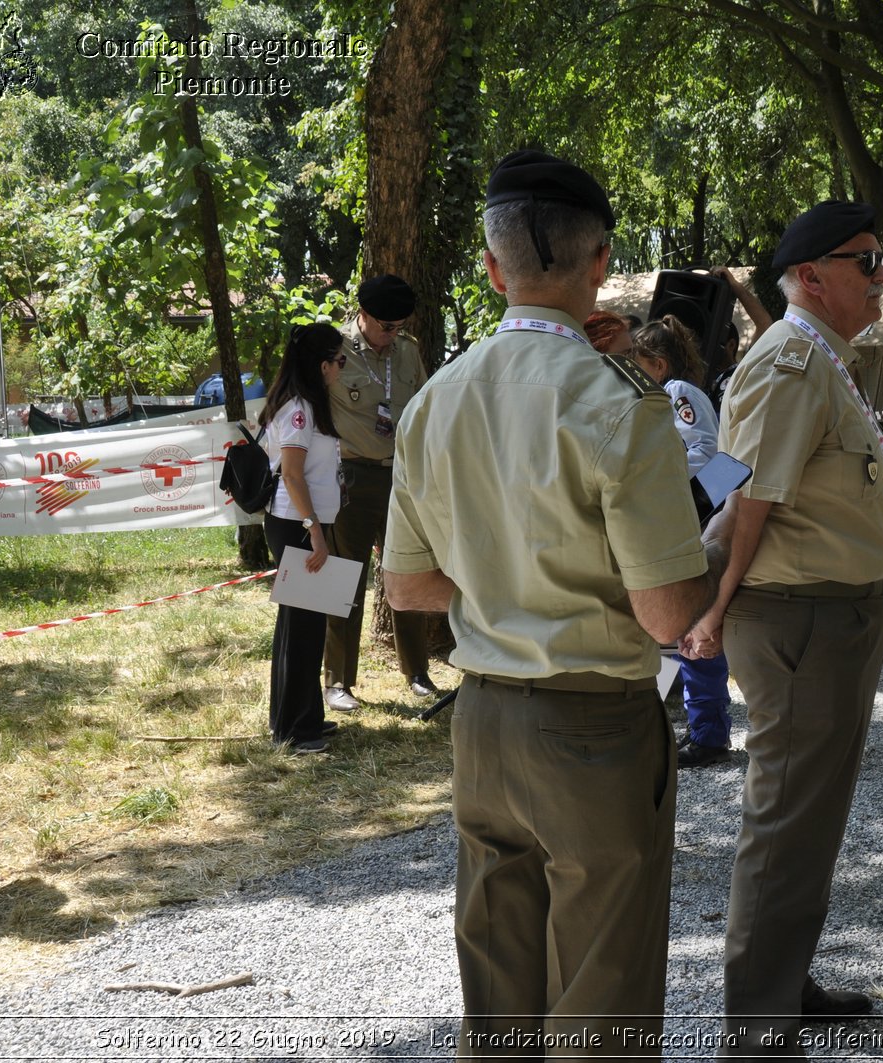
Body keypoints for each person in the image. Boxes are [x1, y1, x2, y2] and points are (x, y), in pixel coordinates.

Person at [381, 150, 726, 1056]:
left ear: (492, 270)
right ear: (601, 260)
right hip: (593, 724)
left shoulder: (431, 402)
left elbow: (410, 589)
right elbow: (666, 616)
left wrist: (504, 578)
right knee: (601, 993)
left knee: (496, 989)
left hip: (483, 715)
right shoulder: (626, 405)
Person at [691, 199, 883, 1055]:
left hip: (832, 614)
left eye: (881, 258)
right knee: (785, 820)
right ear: (812, 276)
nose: (881, 275)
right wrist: (714, 604)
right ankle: (759, 1024)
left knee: (810, 818)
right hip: (801, 618)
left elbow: (734, 473)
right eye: (867, 260)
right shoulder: (792, 359)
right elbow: (752, 499)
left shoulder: (819, 355)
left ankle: (783, 983)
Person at [627, 314, 736, 769]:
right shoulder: (668, 394)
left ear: (657, 363)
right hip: (686, 515)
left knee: (692, 628)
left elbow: (706, 453)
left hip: (692, 517)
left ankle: (708, 732)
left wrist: (656, 470)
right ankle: (695, 724)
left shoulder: (677, 394)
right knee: (678, 632)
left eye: (636, 361)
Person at [324, 273, 435, 713]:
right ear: (363, 315)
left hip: (401, 478)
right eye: (386, 326)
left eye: (399, 326)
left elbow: (424, 404)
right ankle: (337, 681)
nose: (393, 334)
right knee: (342, 580)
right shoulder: (334, 348)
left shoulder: (406, 352)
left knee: (407, 576)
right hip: (350, 476)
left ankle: (418, 673)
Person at [258, 324, 347, 755]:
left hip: (303, 522)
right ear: (322, 364)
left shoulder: (308, 404)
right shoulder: (299, 409)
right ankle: (295, 730)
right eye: (340, 362)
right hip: (296, 524)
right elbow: (291, 475)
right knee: (302, 629)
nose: (341, 370)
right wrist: (314, 529)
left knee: (306, 625)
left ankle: (303, 717)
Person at [708, 266, 774, 409]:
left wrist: (734, 285)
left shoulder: (744, 369)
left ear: (731, 345)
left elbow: (764, 323)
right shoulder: (699, 379)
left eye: (716, 343)